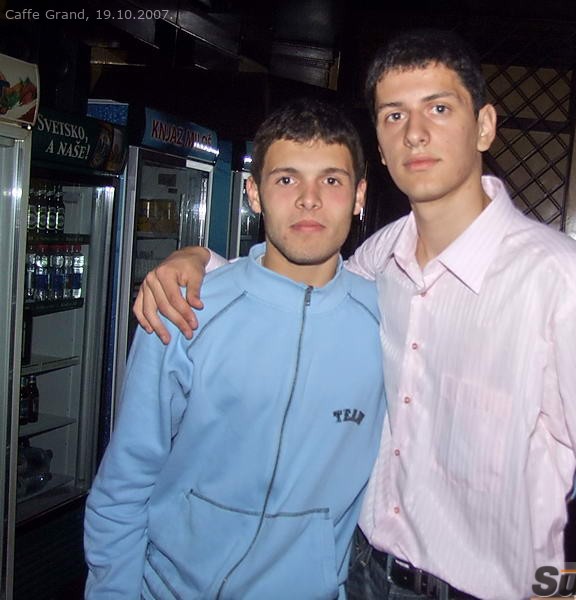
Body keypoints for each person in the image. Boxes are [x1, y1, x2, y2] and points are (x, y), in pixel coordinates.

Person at [133, 29, 576, 600]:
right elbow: (297, 289)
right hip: (359, 575)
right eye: (394, 115)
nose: (414, 132)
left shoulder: (564, 286)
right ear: (379, 141)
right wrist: (200, 262)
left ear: (485, 126)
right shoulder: (380, 258)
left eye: (439, 108)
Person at [84, 98, 386, 599]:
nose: (309, 200)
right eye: (286, 179)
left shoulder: (390, 326)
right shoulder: (187, 308)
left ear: (359, 196)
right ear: (254, 193)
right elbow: (125, 481)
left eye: (331, 180)